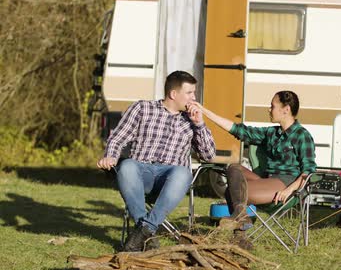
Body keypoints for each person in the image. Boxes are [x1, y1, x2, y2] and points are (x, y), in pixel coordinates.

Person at [97, 70, 216, 252]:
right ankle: (147, 232)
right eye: (190, 93)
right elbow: (117, 138)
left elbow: (208, 156)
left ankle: (144, 231)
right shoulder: (142, 108)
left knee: (184, 172)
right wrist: (111, 156)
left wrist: (199, 124)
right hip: (141, 173)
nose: (194, 98)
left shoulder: (192, 120)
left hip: (170, 180)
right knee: (127, 165)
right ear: (173, 94)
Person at [196, 90, 316, 231]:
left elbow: (309, 172)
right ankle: (241, 221)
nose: (269, 109)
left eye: (272, 106)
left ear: (286, 110)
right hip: (267, 181)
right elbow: (238, 130)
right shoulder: (271, 133)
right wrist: (204, 111)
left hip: (287, 185)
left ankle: (240, 232)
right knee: (234, 168)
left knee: (233, 191)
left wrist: (289, 190)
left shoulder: (302, 135)